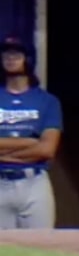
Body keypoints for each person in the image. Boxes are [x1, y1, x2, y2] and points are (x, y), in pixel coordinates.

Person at [0, 36, 63, 230]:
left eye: (16, 54)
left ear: (27, 58)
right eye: (6, 54)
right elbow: (38, 147)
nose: (10, 58)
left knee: (41, 246)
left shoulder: (47, 101)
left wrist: (6, 153)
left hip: (34, 182)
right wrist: (30, 142)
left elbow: (47, 150)